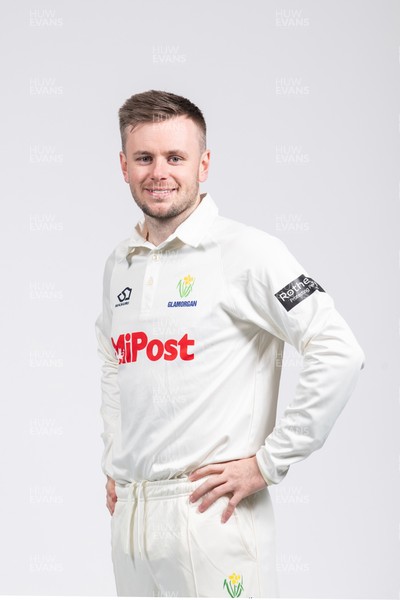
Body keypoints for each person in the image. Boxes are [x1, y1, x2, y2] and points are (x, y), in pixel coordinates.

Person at [95, 89, 365, 598]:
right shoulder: (120, 262)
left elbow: (338, 350)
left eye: (175, 157)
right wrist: (115, 460)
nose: (159, 172)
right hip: (131, 520)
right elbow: (114, 361)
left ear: (204, 163)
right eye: (144, 157)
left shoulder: (249, 252)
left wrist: (268, 462)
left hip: (208, 514)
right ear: (123, 165)